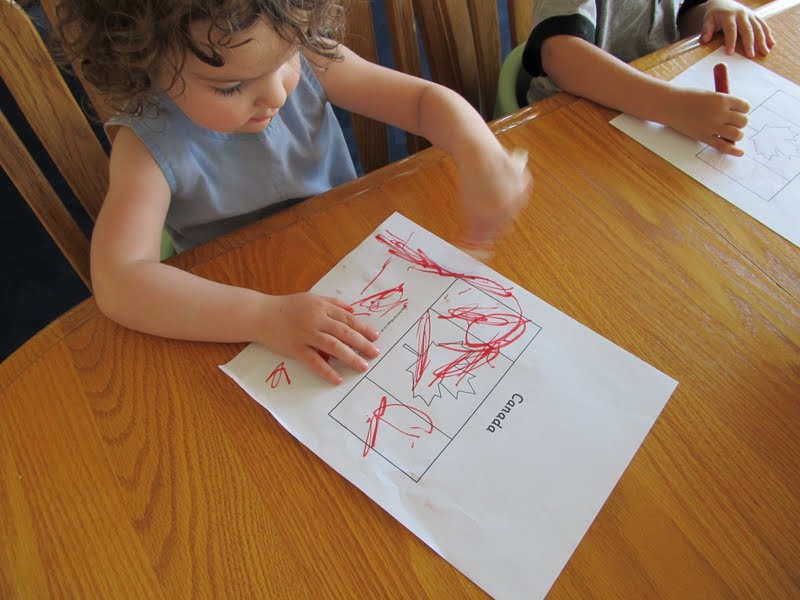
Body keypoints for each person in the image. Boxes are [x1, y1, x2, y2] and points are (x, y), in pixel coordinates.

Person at [54, 0, 531, 384]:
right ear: (144, 64)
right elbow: (119, 281)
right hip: (226, 305)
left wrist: (479, 152)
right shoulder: (146, 142)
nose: (278, 95)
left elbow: (422, 101)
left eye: (286, 61)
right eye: (231, 87)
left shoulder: (306, 53)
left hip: (349, 259)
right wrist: (263, 316)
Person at [521, 0, 775, 157]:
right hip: (573, 122)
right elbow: (560, 54)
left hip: (652, 117)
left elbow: (678, 19)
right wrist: (673, 107)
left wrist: (713, 10)